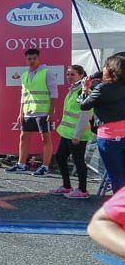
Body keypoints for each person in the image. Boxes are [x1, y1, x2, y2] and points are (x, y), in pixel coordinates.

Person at [5, 49, 56, 175]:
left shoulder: (47, 73)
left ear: (38, 59)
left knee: (46, 139)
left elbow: (54, 93)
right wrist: (20, 112)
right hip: (28, 112)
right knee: (23, 137)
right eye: (29, 59)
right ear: (26, 60)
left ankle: (45, 166)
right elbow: (24, 95)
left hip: (43, 112)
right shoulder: (24, 75)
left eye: (34, 58)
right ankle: (21, 164)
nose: (32, 61)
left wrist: (51, 111)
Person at [79, 54, 125, 193]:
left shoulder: (102, 88)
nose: (103, 69)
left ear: (110, 70)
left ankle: (119, 210)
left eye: (105, 66)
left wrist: (85, 89)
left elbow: (84, 105)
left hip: (109, 137)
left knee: (116, 176)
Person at [51, 65, 93, 199]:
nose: (69, 77)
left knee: (78, 160)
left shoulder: (84, 91)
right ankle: (67, 186)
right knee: (60, 157)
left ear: (81, 76)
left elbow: (85, 114)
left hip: (77, 134)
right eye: (68, 74)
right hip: (67, 132)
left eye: (72, 74)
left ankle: (82, 190)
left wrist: (77, 135)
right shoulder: (73, 90)